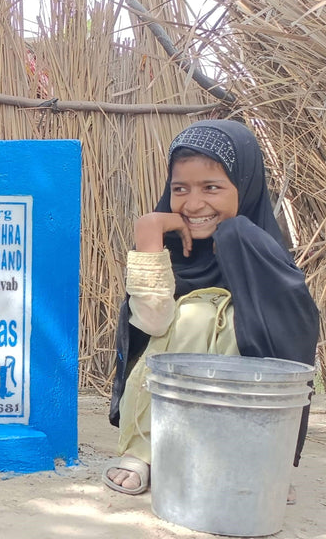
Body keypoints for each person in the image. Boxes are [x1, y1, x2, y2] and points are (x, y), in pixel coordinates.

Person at [105, 119, 319, 495]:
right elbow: (152, 324)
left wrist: (237, 240)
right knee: (190, 315)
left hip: (244, 405)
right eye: (180, 189)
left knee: (227, 320)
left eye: (212, 187)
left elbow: (291, 342)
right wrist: (149, 232)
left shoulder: (264, 250)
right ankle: (146, 450)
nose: (193, 203)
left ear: (245, 185)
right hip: (167, 397)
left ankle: (261, 461)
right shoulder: (170, 249)